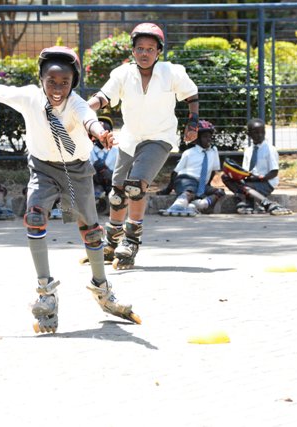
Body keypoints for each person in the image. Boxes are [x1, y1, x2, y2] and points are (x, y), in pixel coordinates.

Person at [0, 46, 141, 333]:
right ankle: (46, 293)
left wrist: (100, 133)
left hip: (76, 171)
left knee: (90, 230)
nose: (57, 88)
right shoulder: (29, 97)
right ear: (41, 79)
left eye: (65, 82)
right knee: (35, 217)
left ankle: (102, 288)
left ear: (73, 83)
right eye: (51, 81)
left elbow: (89, 119)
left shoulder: (77, 103)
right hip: (43, 168)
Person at [88, 22, 200, 269]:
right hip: (129, 139)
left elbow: (191, 94)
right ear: (133, 51)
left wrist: (193, 123)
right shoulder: (122, 74)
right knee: (117, 194)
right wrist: (85, 109)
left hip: (160, 137)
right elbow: (104, 97)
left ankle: (131, 242)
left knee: (135, 187)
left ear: (159, 51)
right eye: (140, 48)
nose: (145, 53)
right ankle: (111, 243)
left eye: (150, 49)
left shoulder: (172, 72)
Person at [221, 118, 292, 215]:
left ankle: (266, 203)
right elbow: (245, 171)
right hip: (252, 181)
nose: (260, 135)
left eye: (262, 132)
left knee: (245, 187)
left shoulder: (269, 149)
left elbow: (274, 172)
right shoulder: (248, 151)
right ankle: (247, 201)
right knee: (225, 177)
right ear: (249, 134)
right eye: (256, 133)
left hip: (266, 182)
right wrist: (237, 174)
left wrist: (260, 178)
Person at [159, 119, 225, 216]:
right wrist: (168, 189)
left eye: (210, 137)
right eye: (205, 137)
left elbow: (212, 171)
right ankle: (177, 206)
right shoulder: (189, 153)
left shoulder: (213, 152)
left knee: (220, 192)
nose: (208, 139)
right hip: (186, 179)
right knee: (189, 191)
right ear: (197, 139)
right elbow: (175, 172)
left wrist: (206, 186)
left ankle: (199, 205)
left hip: (201, 184)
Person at [89, 115, 119, 214]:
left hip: (111, 183)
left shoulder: (116, 151)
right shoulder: (88, 151)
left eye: (106, 132)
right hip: (93, 183)